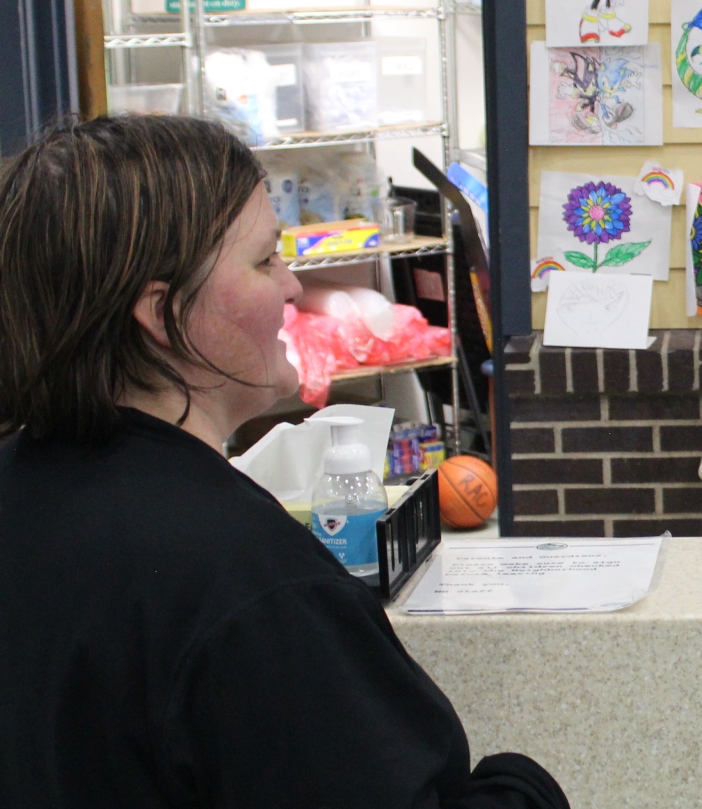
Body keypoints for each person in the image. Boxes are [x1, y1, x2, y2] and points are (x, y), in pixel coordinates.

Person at [0, 116, 568, 809]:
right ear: (163, 311)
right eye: (265, 259)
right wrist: (526, 783)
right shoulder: (241, 581)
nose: (293, 287)